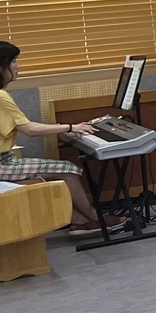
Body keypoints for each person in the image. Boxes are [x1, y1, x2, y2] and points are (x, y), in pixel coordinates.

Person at [0, 41, 123, 236]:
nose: (18, 66)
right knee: (67, 169)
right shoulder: (1, 97)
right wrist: (71, 127)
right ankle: (95, 218)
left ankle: (79, 220)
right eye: (13, 61)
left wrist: (67, 128)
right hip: (3, 164)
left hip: (6, 159)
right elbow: (29, 129)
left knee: (56, 172)